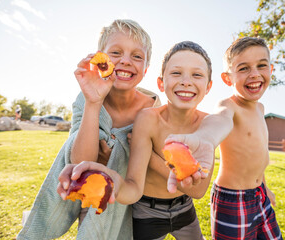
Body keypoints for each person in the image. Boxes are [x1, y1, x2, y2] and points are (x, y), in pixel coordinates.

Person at [17, 19, 160, 240]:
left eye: (137, 56)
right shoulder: (85, 98)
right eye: (115, 52)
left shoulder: (154, 108)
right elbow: (77, 161)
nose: (125, 61)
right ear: (99, 59)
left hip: (128, 202)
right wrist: (93, 102)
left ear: (146, 68)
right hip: (85, 187)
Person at [58, 41, 215, 240]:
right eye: (176, 73)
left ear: (208, 86)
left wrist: (150, 156)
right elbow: (132, 188)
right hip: (147, 212)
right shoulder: (147, 119)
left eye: (197, 75)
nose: (186, 81)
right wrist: (111, 178)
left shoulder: (208, 124)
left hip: (184, 208)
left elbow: (198, 190)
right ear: (161, 83)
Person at [165, 37, 282, 239]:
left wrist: (264, 185)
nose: (254, 74)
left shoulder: (260, 109)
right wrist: (206, 139)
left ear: (270, 69)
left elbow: (256, 156)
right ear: (228, 78)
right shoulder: (229, 106)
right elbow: (219, 120)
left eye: (261, 65)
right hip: (233, 199)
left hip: (259, 194)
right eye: (244, 68)